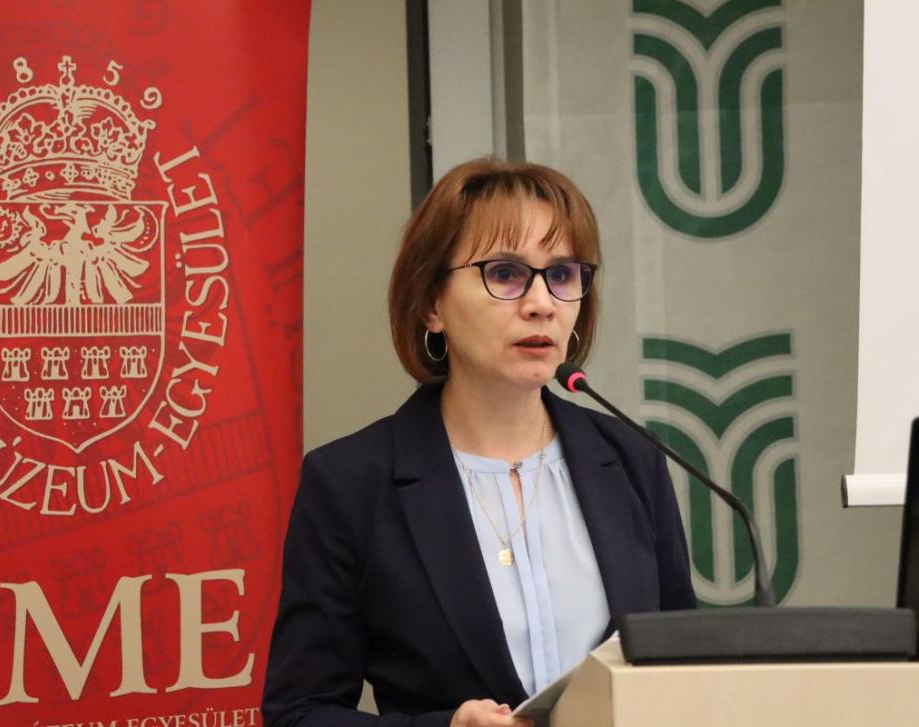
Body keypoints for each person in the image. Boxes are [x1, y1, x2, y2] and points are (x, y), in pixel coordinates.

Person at [263, 159, 695, 726]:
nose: (541, 303)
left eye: (562, 275)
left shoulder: (631, 459)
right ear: (431, 304)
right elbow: (299, 713)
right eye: (506, 273)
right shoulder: (351, 484)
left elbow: (682, 672)